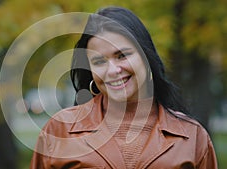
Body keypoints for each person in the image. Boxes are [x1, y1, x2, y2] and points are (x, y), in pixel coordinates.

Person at [30, 6, 217, 169]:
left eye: (122, 55)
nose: (113, 70)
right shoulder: (59, 130)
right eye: (99, 61)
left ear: (146, 57)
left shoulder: (191, 136)